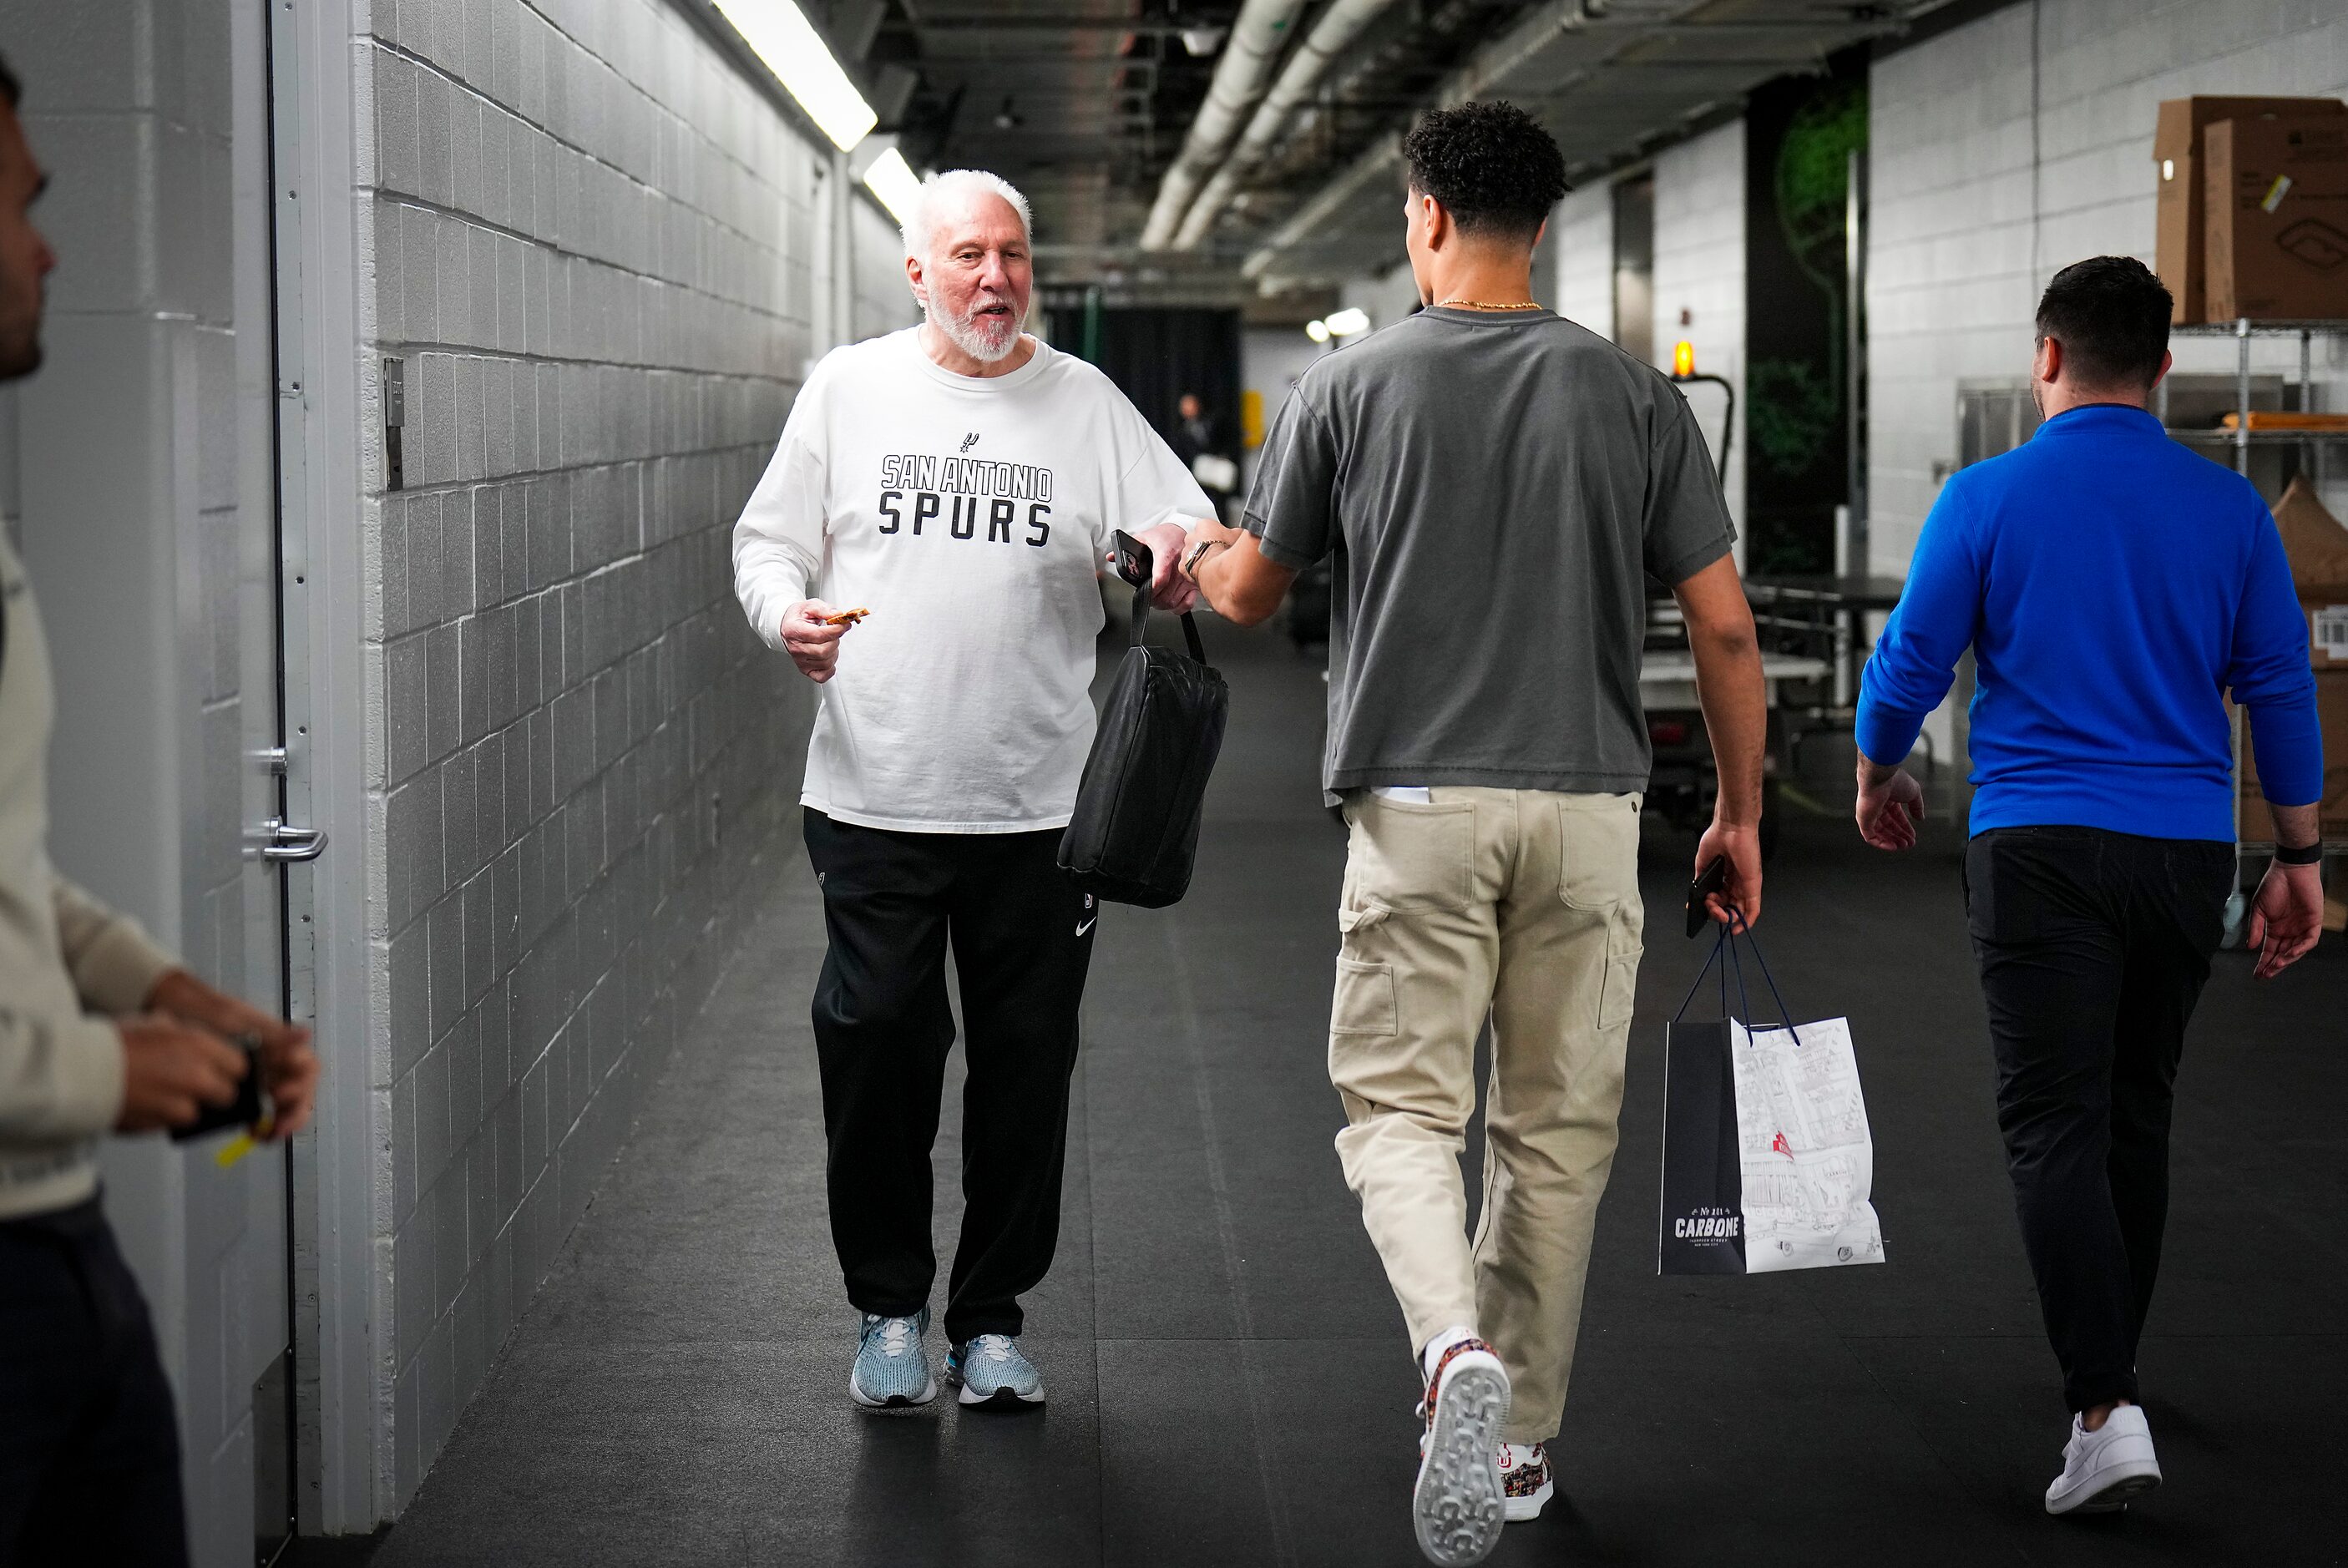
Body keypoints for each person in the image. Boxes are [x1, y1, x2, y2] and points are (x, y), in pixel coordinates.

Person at [1177, 103, 1768, 1566]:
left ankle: (1450, 1351)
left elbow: (1250, 595)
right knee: (1558, 1137)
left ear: (1425, 218)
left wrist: (1193, 555)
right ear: (1542, 226)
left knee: (1399, 1113)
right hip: (1587, 813)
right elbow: (1727, 631)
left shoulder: (1349, 384)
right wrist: (1741, 816)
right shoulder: (1639, 398)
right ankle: (1514, 1446)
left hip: (1419, 810)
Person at [1852, 255, 2325, 1517]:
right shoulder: (2230, 511)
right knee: (2134, 1111)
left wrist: (1875, 770)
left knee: (2054, 1122)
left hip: (2038, 850)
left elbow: (1909, 663)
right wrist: (2301, 857)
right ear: (2164, 370)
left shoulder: (1985, 494)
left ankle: (2105, 1404)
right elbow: (2281, 684)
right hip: (2181, 853)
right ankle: (2109, 1374)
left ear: (2045, 357)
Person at [731, 169, 1211, 1413]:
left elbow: (1187, 520)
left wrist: (1175, 552)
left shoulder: (1084, 400)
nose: (993, 278)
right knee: (878, 1049)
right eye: (966, 257)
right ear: (917, 272)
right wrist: (788, 616)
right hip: (873, 797)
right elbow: (765, 543)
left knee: (1023, 1070)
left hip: (1042, 814)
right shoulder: (850, 389)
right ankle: (889, 1308)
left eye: (1011, 255)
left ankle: (991, 1321)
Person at [0, 54, 321, 1567]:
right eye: (18, 207)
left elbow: (14, 878)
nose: (50, 248)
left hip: (53, 1245)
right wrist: (102, 1067)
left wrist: (170, 994)